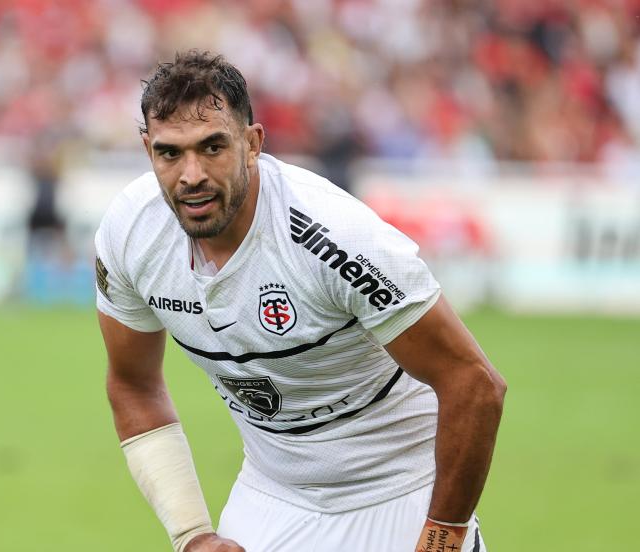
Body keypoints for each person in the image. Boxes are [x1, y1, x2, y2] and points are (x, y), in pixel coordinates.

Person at [95, 50, 506, 552]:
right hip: (273, 493)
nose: (191, 174)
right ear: (147, 150)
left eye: (212, 147)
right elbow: (133, 383)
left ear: (252, 144)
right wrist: (191, 535)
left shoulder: (336, 236)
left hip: (398, 489)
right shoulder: (131, 232)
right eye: (170, 153)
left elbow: (474, 384)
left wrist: (442, 539)